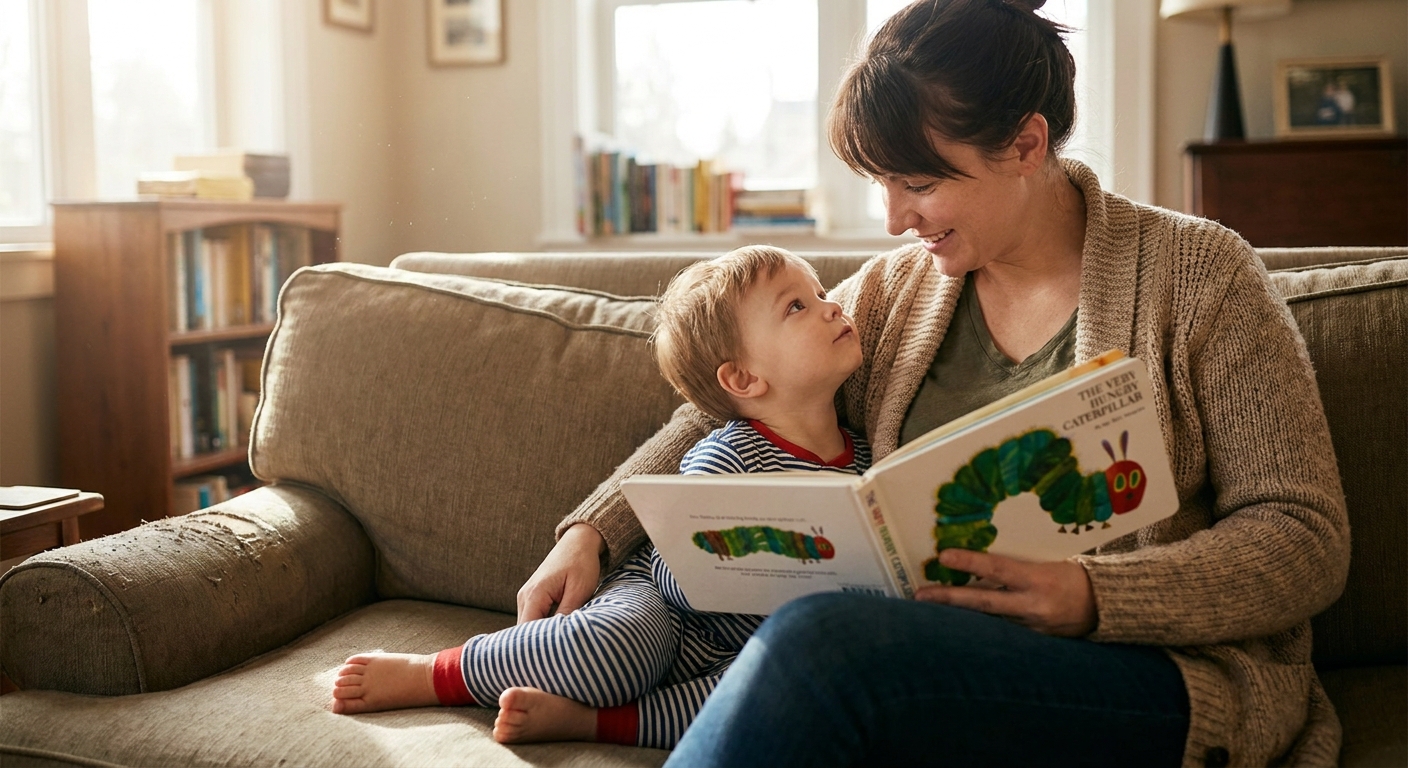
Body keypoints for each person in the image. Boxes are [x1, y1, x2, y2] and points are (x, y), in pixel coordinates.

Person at [517, 1, 1351, 766]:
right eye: (880, 182)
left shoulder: (1202, 276)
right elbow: (724, 403)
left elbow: (1304, 537)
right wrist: (593, 531)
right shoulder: (893, 294)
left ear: (1026, 145)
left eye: (918, 183)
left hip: (1152, 675)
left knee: (825, 646)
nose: (893, 219)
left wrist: (1093, 594)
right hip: (931, 663)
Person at [330, 245, 871, 750]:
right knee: (617, 650)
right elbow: (677, 576)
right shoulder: (728, 457)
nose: (832, 307)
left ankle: (588, 722)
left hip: (753, 644)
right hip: (663, 610)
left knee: (769, 699)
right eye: (798, 305)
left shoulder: (868, 462)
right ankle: (436, 673)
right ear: (744, 378)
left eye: (822, 293)